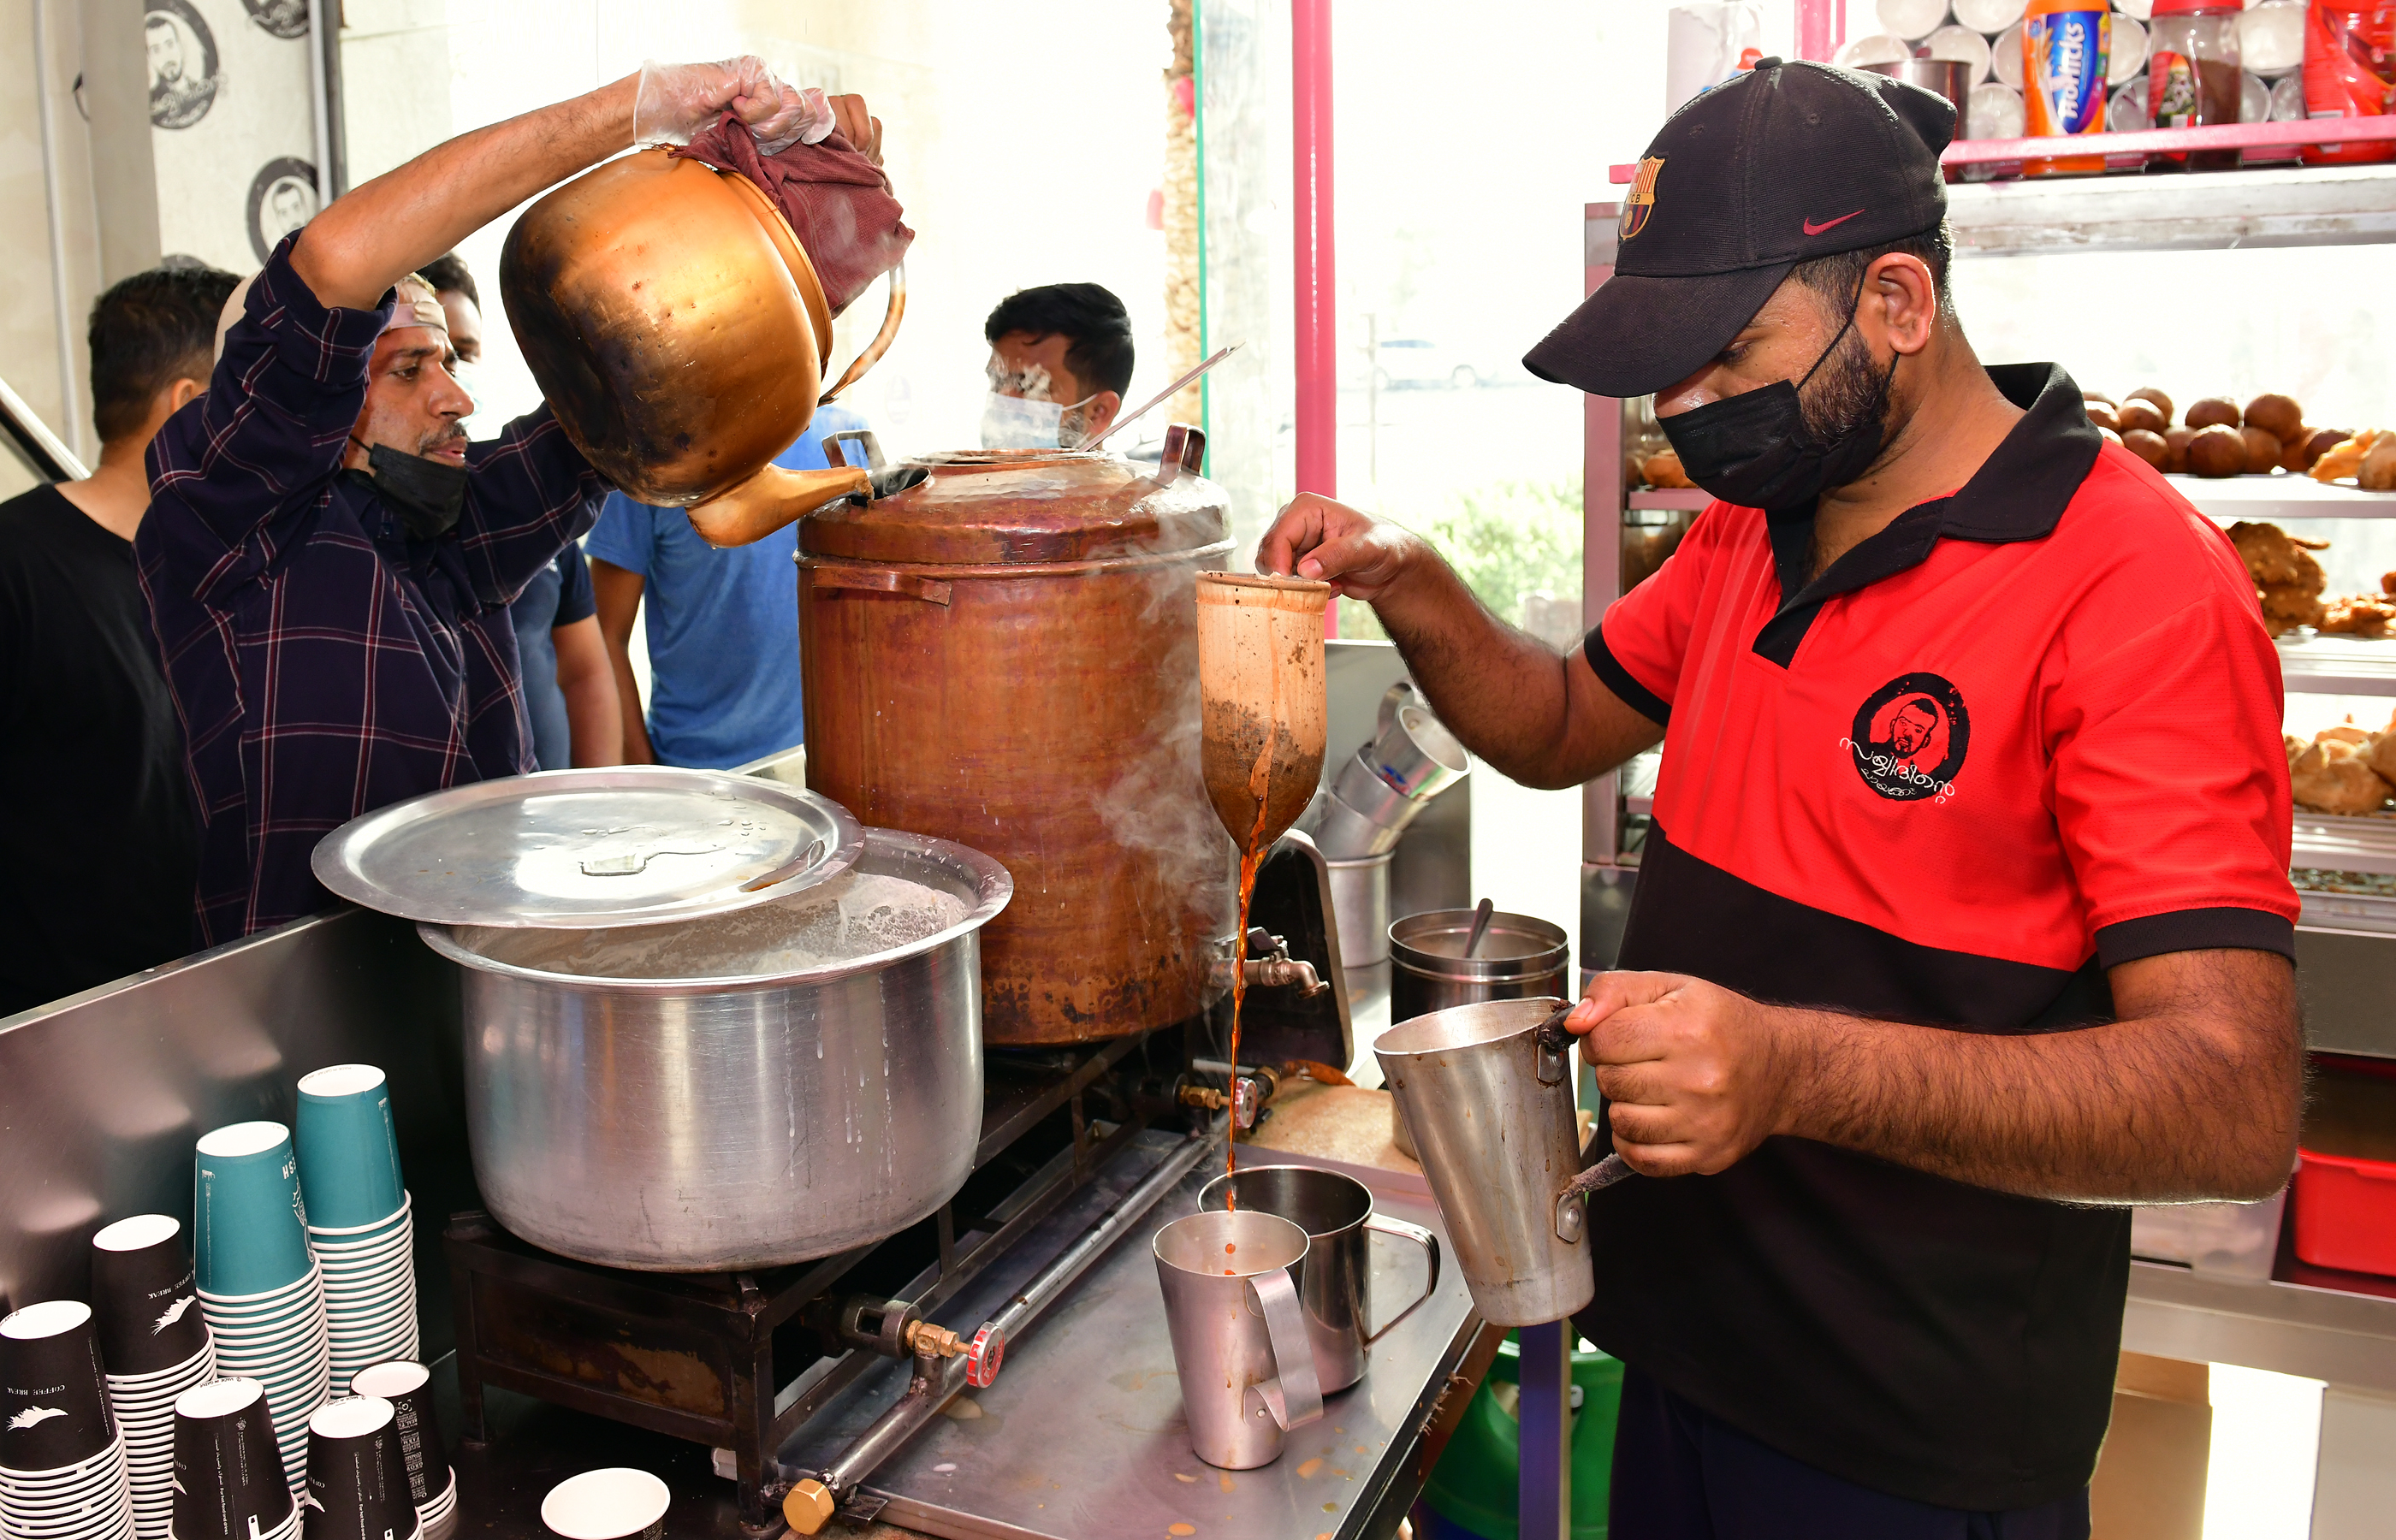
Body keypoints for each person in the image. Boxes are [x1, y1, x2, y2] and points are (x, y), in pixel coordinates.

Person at [1258, 61, 2299, 1537]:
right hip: (1680, 1355)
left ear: (1894, 302)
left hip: (1905, 1442)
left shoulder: (2130, 588)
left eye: (1728, 354)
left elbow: (2228, 1102)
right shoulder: (1754, 535)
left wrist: (1793, 1071)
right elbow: (1557, 724)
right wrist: (1411, 581)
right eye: (1665, 371)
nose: (1686, 410)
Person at [139, 58, 855, 942]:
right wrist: (634, 111)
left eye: (448, 363)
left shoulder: (446, 532)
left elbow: (640, 392)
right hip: (301, 1020)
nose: (456, 399)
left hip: (477, 979)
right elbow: (331, 263)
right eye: (408, 369)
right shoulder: (232, 529)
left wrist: (798, 242)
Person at [0, 261, 231, 1020]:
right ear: (188, 407)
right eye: (255, 394)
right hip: (59, 1027)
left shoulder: (222, 568)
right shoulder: (3, 571)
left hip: (218, 993)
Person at [418, 253, 620, 769]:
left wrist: (599, 806)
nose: (452, 385)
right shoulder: (387, 527)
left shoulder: (542, 514)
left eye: (463, 353)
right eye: (411, 366)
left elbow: (585, 671)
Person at [588, 400, 870, 768]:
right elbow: (604, 637)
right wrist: (652, 779)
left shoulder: (847, 443)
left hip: (829, 766)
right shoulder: (650, 459)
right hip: (695, 776)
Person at [979, 282, 1133, 449]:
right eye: (998, 381)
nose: (1002, 399)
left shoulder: (1138, 476)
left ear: (1098, 413)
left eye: (1029, 385)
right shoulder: (964, 474)